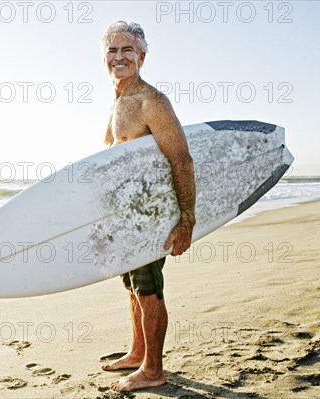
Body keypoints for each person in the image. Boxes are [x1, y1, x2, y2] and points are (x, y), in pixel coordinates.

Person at [100, 21, 197, 392]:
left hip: (152, 213)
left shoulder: (149, 101)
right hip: (128, 216)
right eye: (112, 50)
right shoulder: (119, 102)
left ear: (142, 56)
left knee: (148, 287)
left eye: (127, 50)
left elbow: (182, 160)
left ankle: (153, 370)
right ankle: (138, 352)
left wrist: (186, 218)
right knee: (130, 284)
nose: (119, 57)